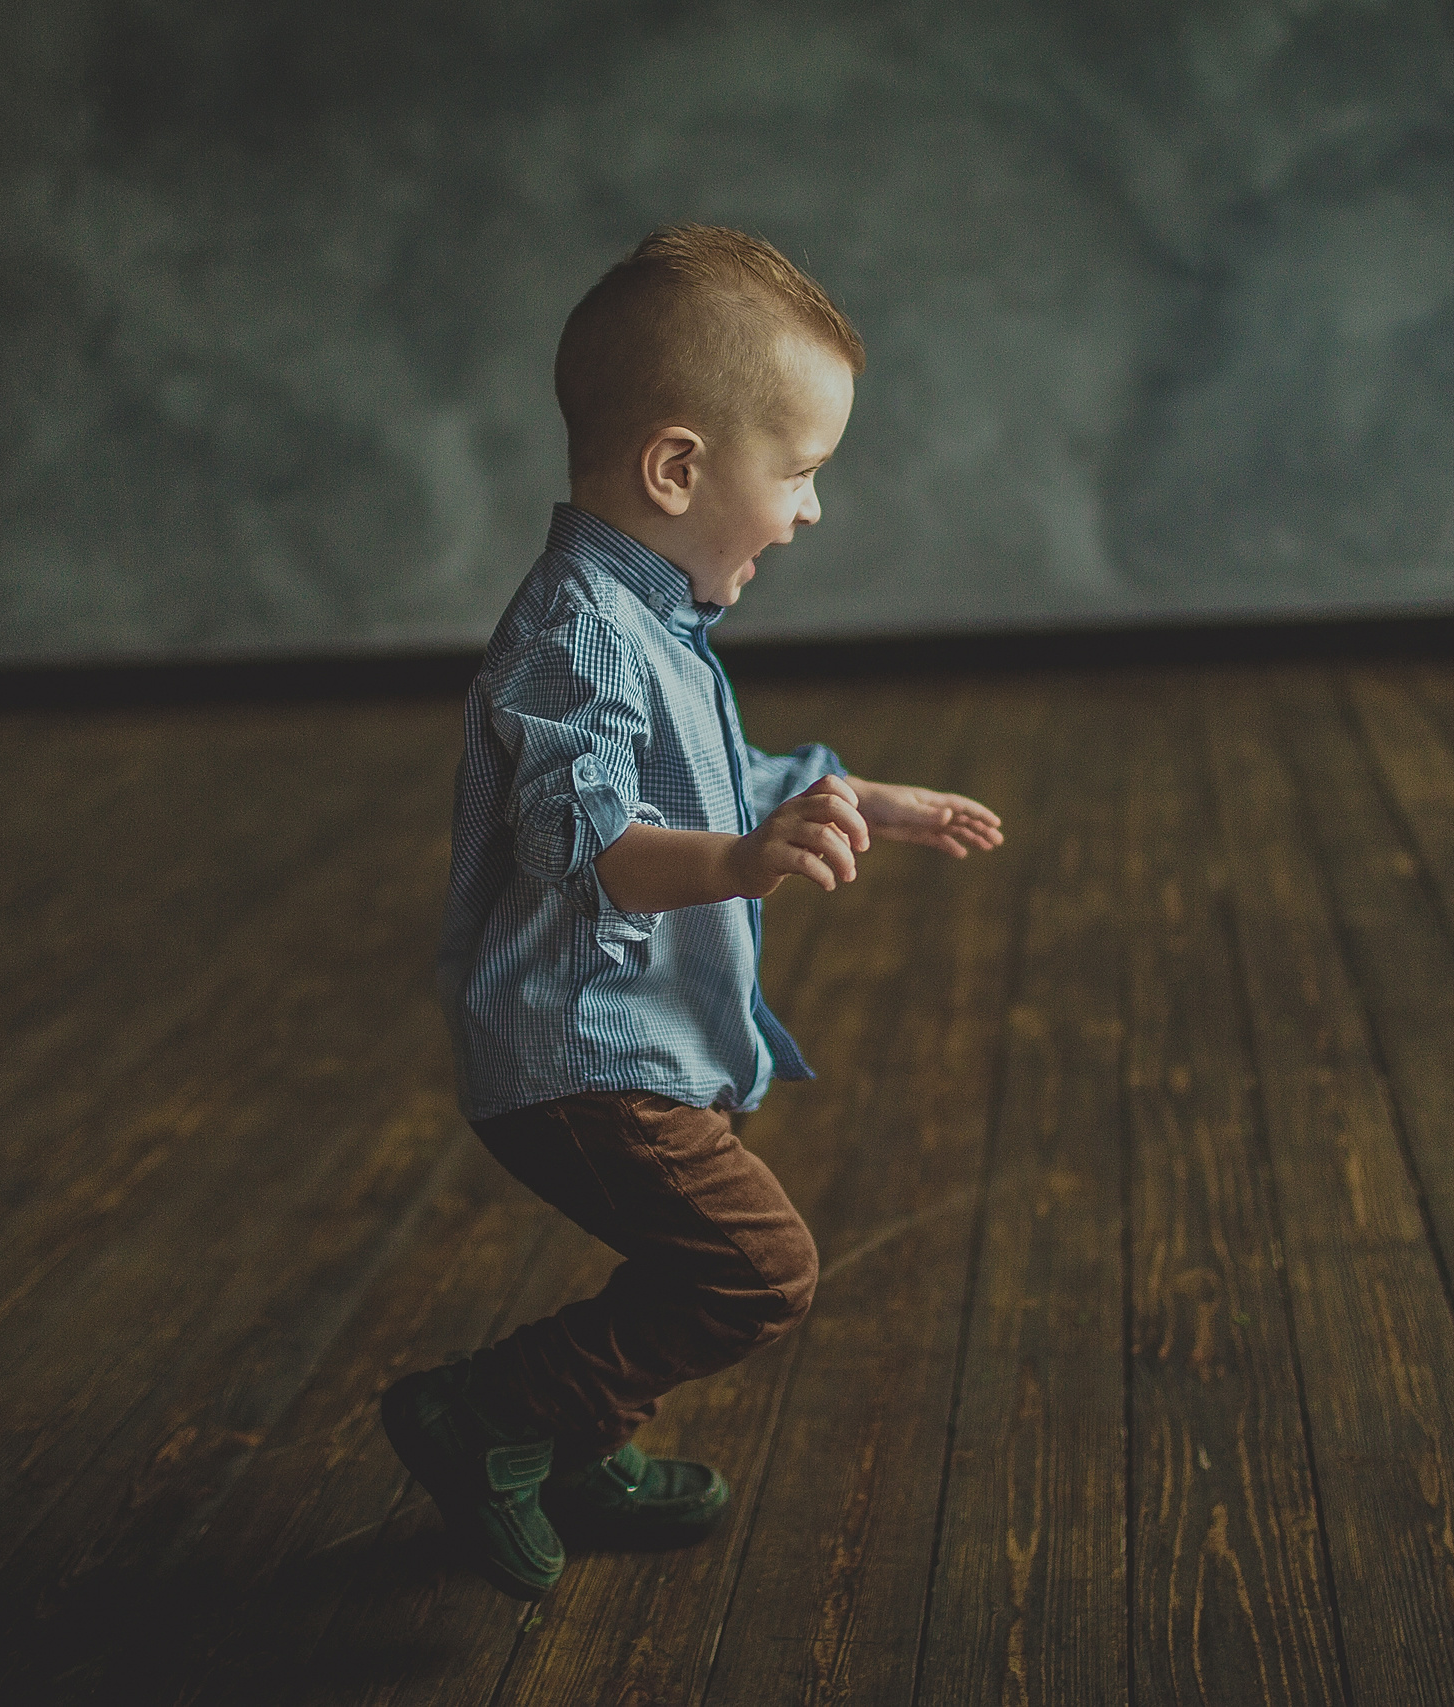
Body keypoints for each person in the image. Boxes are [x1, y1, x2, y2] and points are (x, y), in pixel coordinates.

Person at [383, 224, 1004, 1600]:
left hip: (643, 1041)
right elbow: (585, 843)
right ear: (677, 468)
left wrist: (865, 796)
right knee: (757, 1270)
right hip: (580, 1060)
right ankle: (492, 1414)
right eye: (799, 473)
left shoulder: (648, 618)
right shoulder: (577, 634)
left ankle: (576, 1441)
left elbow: (715, 778)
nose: (810, 510)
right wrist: (740, 859)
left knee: (697, 1264)